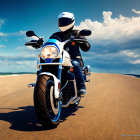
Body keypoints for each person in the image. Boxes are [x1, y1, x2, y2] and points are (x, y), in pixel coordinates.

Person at [50, 12, 91, 96]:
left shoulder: (76, 33)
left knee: (74, 64)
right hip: (59, 59)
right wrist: (39, 43)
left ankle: (81, 88)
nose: (63, 23)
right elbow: (50, 43)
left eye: (65, 21)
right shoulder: (56, 35)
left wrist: (82, 40)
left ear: (71, 22)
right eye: (61, 21)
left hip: (74, 58)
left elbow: (86, 48)